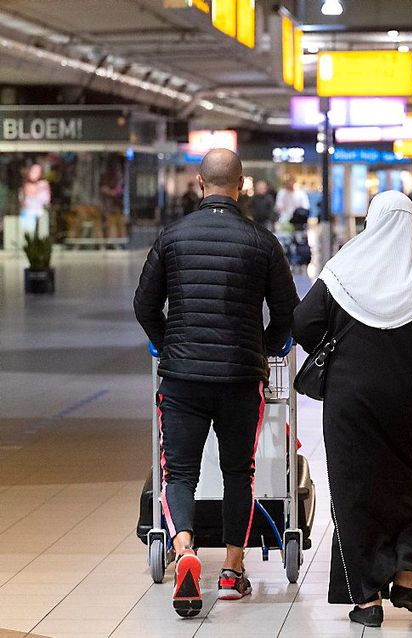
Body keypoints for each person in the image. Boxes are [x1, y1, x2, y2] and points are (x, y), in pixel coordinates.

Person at [292, 191, 412, 628]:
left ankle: (368, 599)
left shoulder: (341, 275)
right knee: (411, 485)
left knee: (356, 491)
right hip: (409, 405)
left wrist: (332, 348)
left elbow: (301, 323)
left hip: (350, 402)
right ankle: (408, 579)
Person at [133, 149, 299, 618]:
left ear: (200, 184)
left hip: (182, 379)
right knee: (237, 473)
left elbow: (144, 306)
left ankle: (185, 551)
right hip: (240, 378)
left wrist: (170, 345)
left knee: (179, 472)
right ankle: (230, 571)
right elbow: (288, 313)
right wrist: (263, 348)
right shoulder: (262, 242)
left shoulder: (172, 237)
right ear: (241, 184)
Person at [19, 163, 50, 239]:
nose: (34, 174)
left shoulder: (43, 184)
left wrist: (36, 192)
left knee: (41, 234)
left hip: (39, 212)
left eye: (37, 172)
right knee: (27, 234)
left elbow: (46, 200)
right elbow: (21, 199)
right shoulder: (24, 184)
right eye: (33, 171)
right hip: (27, 212)